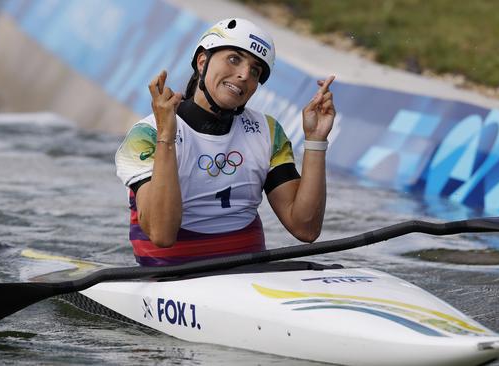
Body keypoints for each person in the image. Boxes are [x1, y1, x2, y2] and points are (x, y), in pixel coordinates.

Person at [115, 18, 336, 266]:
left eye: (255, 71)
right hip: (171, 279)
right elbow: (162, 234)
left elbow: (305, 229)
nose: (244, 75)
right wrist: (167, 137)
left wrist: (316, 141)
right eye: (234, 59)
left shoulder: (267, 131)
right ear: (202, 62)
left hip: (247, 278)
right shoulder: (147, 135)